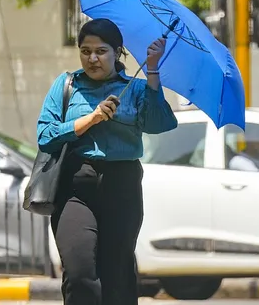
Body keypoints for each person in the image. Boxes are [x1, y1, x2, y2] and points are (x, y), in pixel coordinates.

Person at [37, 19, 178, 305]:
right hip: (76, 188)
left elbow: (160, 123)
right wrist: (89, 119)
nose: (92, 58)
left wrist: (152, 69)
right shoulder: (66, 85)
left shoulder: (136, 89)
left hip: (122, 186)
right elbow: (45, 136)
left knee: (118, 273)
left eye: (101, 51)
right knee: (79, 273)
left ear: (117, 52)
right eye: (85, 51)